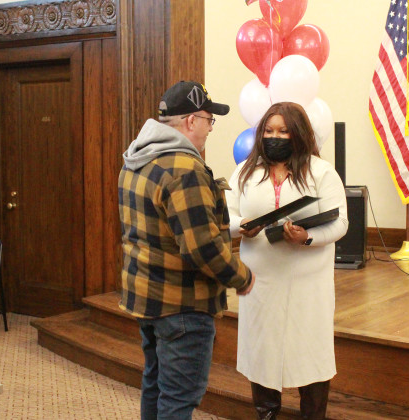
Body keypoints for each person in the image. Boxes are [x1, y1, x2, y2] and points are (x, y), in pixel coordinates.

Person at [118, 80, 255, 420]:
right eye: (209, 120)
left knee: (156, 384)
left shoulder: (137, 158)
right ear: (191, 121)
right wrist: (242, 278)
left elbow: (164, 227)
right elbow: (202, 248)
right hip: (183, 304)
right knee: (178, 400)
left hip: (148, 297)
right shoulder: (184, 168)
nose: (210, 129)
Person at [226, 102, 348, 419]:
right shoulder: (244, 172)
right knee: (262, 353)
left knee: (311, 353)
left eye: (282, 131)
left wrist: (306, 236)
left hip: (308, 282)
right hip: (260, 279)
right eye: (268, 131)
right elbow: (225, 214)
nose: (274, 137)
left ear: (298, 134)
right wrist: (241, 226)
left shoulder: (322, 172)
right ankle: (266, 414)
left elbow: (340, 223)